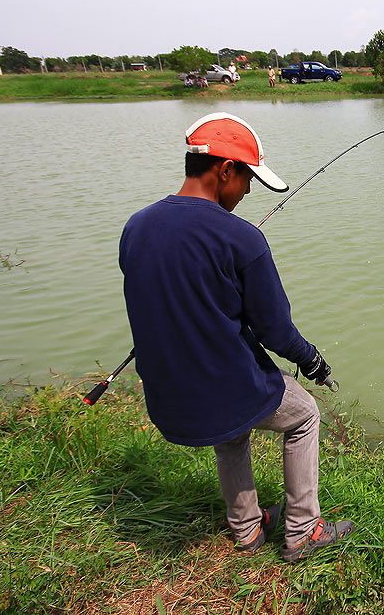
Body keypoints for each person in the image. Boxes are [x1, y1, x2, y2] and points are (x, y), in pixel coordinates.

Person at [119, 112, 355, 563]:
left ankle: (247, 528)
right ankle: (303, 530)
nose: (247, 192)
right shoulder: (242, 239)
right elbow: (275, 330)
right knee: (303, 413)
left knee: (232, 426)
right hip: (217, 392)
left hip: (169, 399)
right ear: (225, 170)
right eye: (247, 179)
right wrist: (312, 361)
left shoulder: (136, 226)